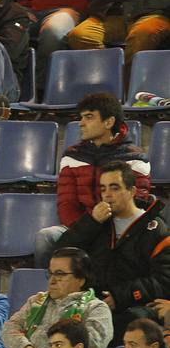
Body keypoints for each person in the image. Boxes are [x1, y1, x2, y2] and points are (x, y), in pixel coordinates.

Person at [34, 94, 151, 267]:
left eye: (89, 117)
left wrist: (101, 228)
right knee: (46, 237)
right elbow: (66, 203)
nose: (81, 123)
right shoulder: (71, 156)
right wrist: (88, 227)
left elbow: (136, 203)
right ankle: (51, 291)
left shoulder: (135, 158)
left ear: (109, 122)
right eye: (81, 117)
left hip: (119, 229)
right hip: (82, 227)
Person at [58, 163, 170, 328]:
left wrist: (121, 297)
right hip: (93, 302)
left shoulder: (155, 229)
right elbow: (61, 254)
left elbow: (163, 281)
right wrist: (91, 222)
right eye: (103, 189)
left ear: (132, 191)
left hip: (133, 306)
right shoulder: (97, 222)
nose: (107, 195)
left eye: (114, 188)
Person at [1, 249, 114, 348]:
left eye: (60, 275)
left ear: (81, 279)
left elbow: (89, 347)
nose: (52, 281)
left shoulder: (96, 308)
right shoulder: (36, 301)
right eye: (50, 274)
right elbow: (8, 329)